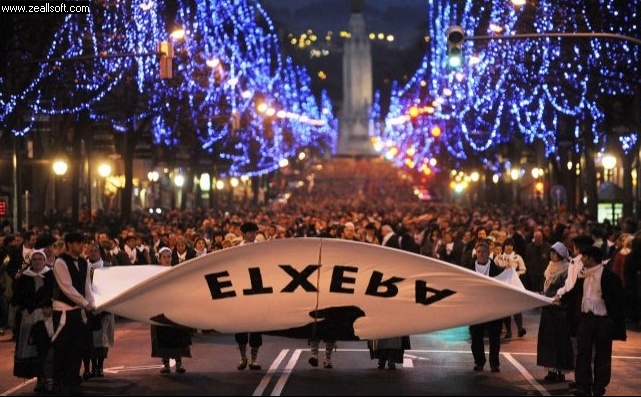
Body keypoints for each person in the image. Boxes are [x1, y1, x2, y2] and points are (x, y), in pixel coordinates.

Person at [555, 246, 626, 397]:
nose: (581, 259)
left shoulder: (610, 277)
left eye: (584, 257)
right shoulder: (582, 275)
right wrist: (559, 299)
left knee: (603, 355)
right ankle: (583, 386)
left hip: (603, 321)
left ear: (592, 258)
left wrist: (614, 322)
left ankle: (599, 387)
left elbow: (619, 301)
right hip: (585, 320)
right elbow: (573, 293)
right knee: (582, 354)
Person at [51, 232, 95, 396]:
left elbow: (87, 287)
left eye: (82, 243)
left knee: (77, 348)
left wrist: (91, 304)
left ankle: (72, 380)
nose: (81, 246)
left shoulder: (84, 262)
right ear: (69, 244)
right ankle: (58, 382)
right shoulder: (60, 262)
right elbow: (67, 287)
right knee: (62, 348)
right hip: (63, 311)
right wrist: (85, 303)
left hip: (77, 312)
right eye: (77, 243)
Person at [10, 249, 55, 389]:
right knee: (33, 349)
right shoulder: (25, 276)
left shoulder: (50, 274)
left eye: (39, 259)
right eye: (34, 259)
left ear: (44, 261)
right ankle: (39, 379)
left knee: (45, 348)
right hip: (29, 317)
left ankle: (47, 378)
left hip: (45, 316)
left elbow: (54, 292)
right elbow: (17, 296)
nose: (37, 262)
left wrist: (49, 305)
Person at [537, 241, 574, 383]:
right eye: (551, 252)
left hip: (559, 312)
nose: (552, 255)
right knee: (548, 341)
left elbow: (567, 290)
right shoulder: (549, 267)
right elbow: (545, 286)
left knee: (560, 342)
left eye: (554, 253)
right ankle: (551, 371)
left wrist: (558, 299)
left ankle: (561, 371)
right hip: (548, 309)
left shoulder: (566, 269)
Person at [151, 247, 191, 374]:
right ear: (160, 258)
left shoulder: (176, 270)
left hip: (174, 308)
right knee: (163, 336)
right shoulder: (155, 273)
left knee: (177, 336)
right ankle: (166, 364)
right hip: (160, 308)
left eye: (169, 257)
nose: (167, 259)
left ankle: (179, 363)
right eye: (165, 257)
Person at [469, 241, 505, 373]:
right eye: (479, 252)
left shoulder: (498, 270)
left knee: (494, 337)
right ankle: (479, 362)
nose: (481, 254)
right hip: (475, 308)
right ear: (476, 253)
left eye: (484, 252)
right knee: (476, 336)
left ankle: (494, 363)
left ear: (488, 253)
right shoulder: (468, 269)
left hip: (493, 308)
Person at [234, 222, 263, 370]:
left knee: (256, 325)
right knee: (241, 324)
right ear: (243, 234)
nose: (252, 235)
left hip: (257, 290)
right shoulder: (237, 250)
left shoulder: (261, 248)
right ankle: (242, 356)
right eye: (249, 232)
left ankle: (253, 358)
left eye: (254, 232)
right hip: (242, 290)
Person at [495, 238, 527, 338]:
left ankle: (520, 328)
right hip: (503, 285)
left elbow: (523, 269)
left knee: (516, 307)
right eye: (507, 245)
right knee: (506, 309)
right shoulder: (498, 258)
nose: (509, 247)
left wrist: (516, 274)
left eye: (511, 245)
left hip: (514, 285)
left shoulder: (517, 257)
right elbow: (495, 270)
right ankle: (508, 331)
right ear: (504, 246)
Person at [29, 302, 55, 394]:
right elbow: (32, 338)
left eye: (47, 308)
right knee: (42, 364)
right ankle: (45, 382)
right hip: (43, 348)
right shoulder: (40, 323)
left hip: (53, 347)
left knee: (49, 363)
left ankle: (50, 383)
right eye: (43, 308)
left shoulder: (56, 320)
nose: (44, 310)